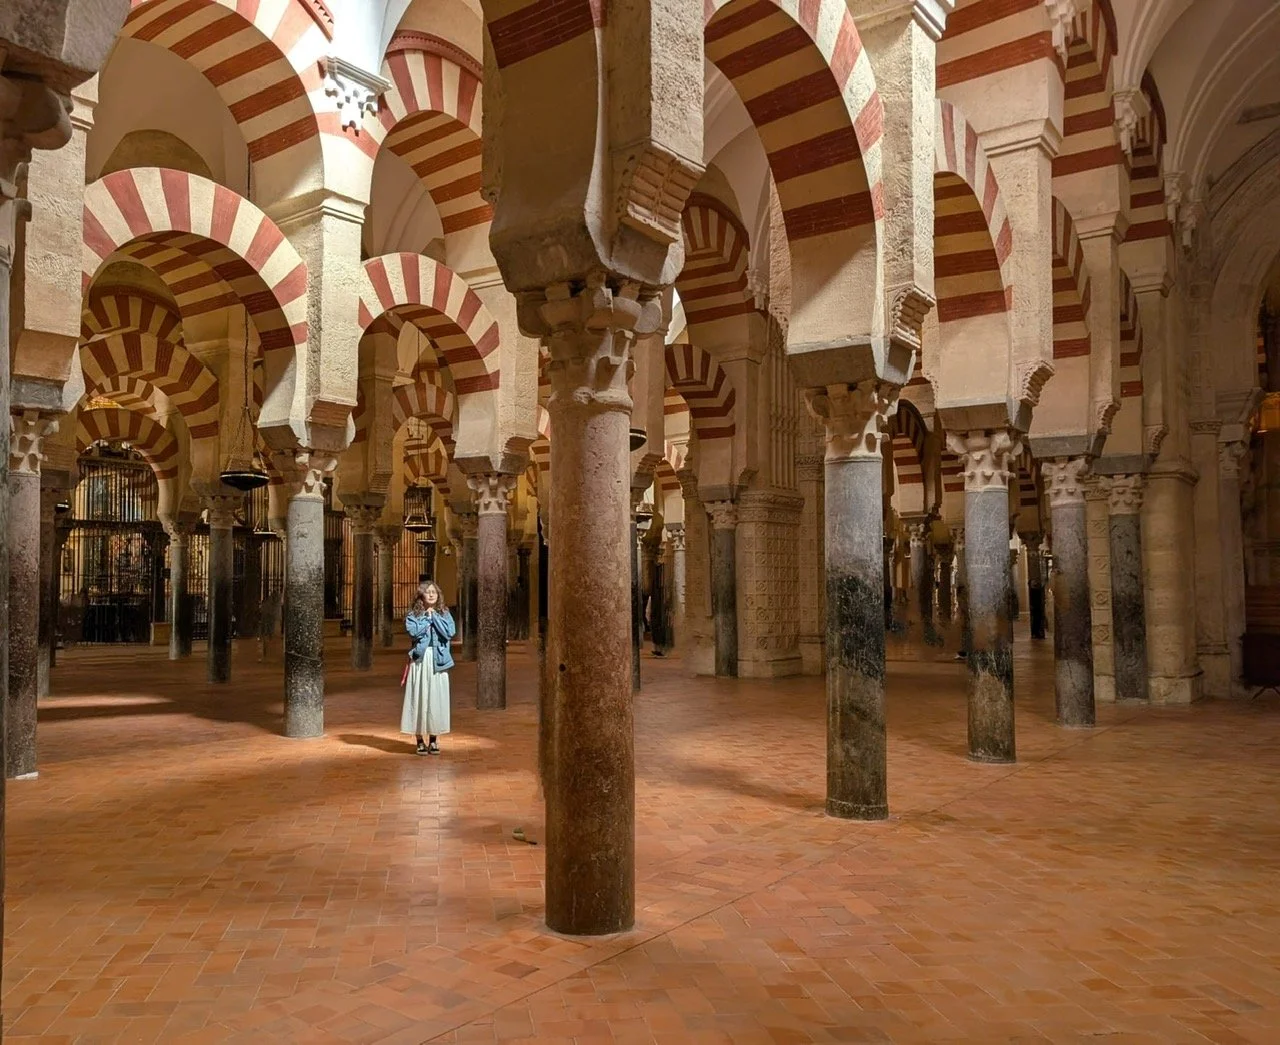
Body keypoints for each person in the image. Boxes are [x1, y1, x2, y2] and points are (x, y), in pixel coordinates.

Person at [401, 580, 455, 755]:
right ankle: (419, 740)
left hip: (439, 660)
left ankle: (433, 739)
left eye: (434, 592)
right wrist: (426, 618)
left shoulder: (444, 613)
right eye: (427, 592)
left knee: (436, 699)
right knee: (419, 698)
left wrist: (435, 617)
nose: (431, 594)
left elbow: (449, 632)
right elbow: (414, 632)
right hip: (421, 661)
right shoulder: (413, 615)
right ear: (421, 596)